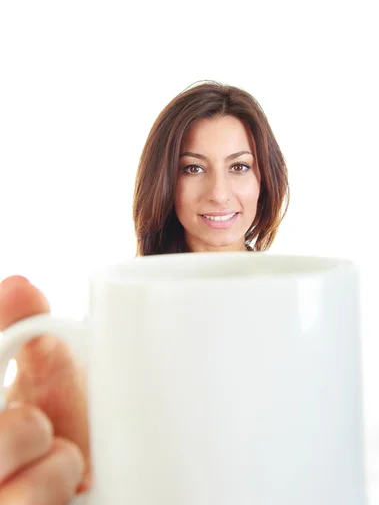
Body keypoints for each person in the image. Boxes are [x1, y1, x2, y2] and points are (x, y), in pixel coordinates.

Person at [0, 81, 289, 503]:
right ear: (165, 183)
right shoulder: (122, 312)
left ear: (266, 177)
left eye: (239, 166)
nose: (220, 192)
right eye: (193, 168)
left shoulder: (300, 303)